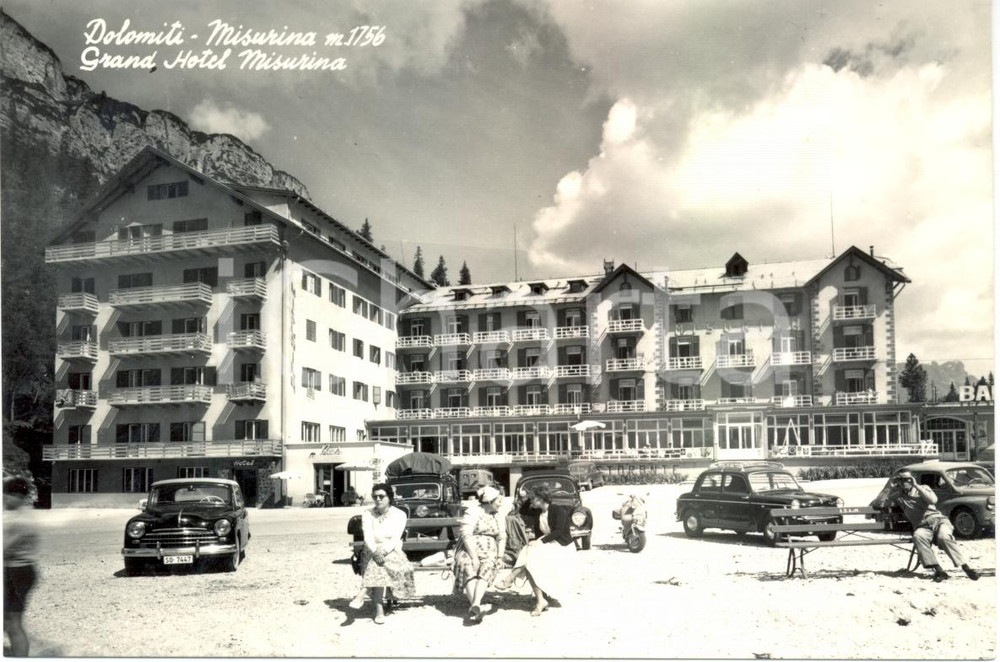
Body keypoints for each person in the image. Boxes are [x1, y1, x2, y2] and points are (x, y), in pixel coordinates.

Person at [879, 471, 979, 582]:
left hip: (939, 521)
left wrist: (916, 485)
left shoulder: (923, 488)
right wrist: (890, 488)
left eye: (907, 479)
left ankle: (966, 568)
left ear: (912, 479)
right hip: (922, 526)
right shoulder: (898, 495)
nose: (905, 482)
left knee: (944, 537)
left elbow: (933, 500)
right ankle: (939, 571)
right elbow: (879, 503)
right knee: (918, 536)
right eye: (901, 480)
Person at [496, 486, 576, 616]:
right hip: (547, 543)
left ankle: (510, 579)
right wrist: (527, 498)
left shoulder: (558, 510)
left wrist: (539, 542)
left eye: (533, 499)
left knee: (530, 551)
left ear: (540, 499)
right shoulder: (538, 511)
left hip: (562, 546)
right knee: (530, 558)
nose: (531, 502)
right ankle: (540, 600)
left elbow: (558, 531)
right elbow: (522, 510)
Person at [351, 483, 414, 623]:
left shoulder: (399, 514)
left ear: (389, 497)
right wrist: (376, 552)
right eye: (375, 496)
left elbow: (396, 537)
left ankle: (364, 592)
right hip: (371, 549)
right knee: (377, 563)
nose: (378, 499)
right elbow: (368, 537)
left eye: (381, 496)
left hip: (392, 550)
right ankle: (379, 611)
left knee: (378, 564)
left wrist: (383, 552)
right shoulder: (367, 514)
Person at [453, 485, 506, 623]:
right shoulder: (473, 512)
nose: (500, 504)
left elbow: (501, 537)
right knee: (467, 564)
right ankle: (476, 606)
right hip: (469, 548)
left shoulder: (498, 515)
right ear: (489, 501)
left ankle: (475, 604)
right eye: (498, 501)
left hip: (490, 549)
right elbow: (466, 535)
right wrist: (474, 557)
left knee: (488, 565)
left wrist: (500, 556)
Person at [4, 477, 39, 657]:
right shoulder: (19, 515)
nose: (4, 500)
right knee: (8, 621)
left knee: (13, 623)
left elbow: (4, 549)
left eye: (7, 496)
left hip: (18, 572)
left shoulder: (21, 520)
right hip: (19, 570)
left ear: (17, 495)